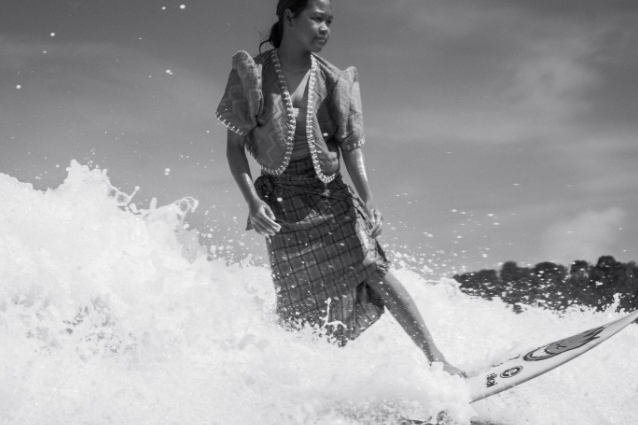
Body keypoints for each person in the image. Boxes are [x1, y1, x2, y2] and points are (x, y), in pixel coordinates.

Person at [217, 0, 463, 376]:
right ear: (289, 17)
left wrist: (368, 199)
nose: (325, 28)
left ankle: (437, 359)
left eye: (329, 21)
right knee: (296, 307)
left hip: (328, 194)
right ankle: (297, 385)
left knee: (374, 268)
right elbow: (235, 148)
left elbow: (350, 145)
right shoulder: (254, 74)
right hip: (282, 204)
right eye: (317, 18)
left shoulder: (332, 78)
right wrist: (252, 201)